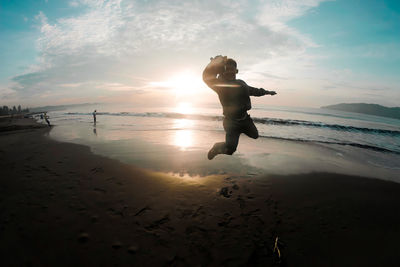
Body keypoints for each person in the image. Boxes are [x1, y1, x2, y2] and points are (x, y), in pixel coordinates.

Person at [203, 55, 277, 160]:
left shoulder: (241, 83)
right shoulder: (220, 85)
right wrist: (214, 64)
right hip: (231, 123)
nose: (229, 72)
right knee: (230, 150)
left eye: (231, 69)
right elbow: (207, 77)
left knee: (255, 135)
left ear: (236, 71)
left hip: (245, 119)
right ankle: (217, 147)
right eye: (226, 69)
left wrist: (267, 92)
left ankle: (239, 131)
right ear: (223, 71)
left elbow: (254, 91)